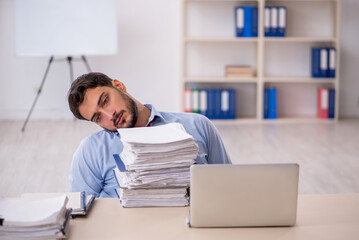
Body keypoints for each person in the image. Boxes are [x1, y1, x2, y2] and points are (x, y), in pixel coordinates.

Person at [68, 72, 232, 197]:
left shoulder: (198, 125)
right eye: (98, 117)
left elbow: (229, 187)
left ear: (119, 86)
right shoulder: (91, 151)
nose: (110, 115)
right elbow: (80, 214)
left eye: (105, 101)